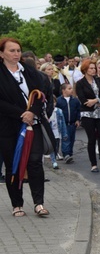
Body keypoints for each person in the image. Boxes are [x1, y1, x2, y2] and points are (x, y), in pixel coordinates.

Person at [0, 38, 53, 217]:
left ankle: (39, 203)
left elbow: (40, 94)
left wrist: (32, 112)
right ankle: (17, 204)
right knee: (13, 165)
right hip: (9, 127)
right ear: (1, 53)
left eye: (18, 51)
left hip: (32, 125)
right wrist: (22, 113)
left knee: (35, 163)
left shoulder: (29, 71)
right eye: (12, 51)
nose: (16, 54)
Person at [76, 59, 100, 172]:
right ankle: (93, 164)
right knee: (91, 139)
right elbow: (83, 99)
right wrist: (94, 102)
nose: (94, 70)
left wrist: (96, 100)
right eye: (91, 68)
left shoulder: (99, 80)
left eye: (94, 68)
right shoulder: (80, 83)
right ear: (85, 70)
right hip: (87, 114)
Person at [56, 83, 81, 163]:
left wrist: (78, 120)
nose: (71, 90)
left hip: (72, 123)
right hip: (63, 123)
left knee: (72, 139)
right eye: (69, 88)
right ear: (63, 90)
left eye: (71, 88)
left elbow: (78, 111)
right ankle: (66, 154)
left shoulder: (75, 100)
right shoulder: (59, 100)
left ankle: (69, 153)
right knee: (65, 139)